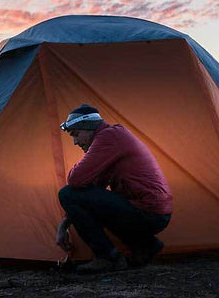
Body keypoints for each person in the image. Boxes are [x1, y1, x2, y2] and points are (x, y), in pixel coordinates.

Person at [56, 104, 173, 274]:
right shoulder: (111, 140)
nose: (75, 142)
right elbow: (91, 190)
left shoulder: (109, 137)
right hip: (152, 212)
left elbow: (75, 180)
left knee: (66, 193)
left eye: (76, 134)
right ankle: (145, 246)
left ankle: (107, 258)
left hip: (148, 212)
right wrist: (64, 225)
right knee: (81, 198)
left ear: (88, 127)